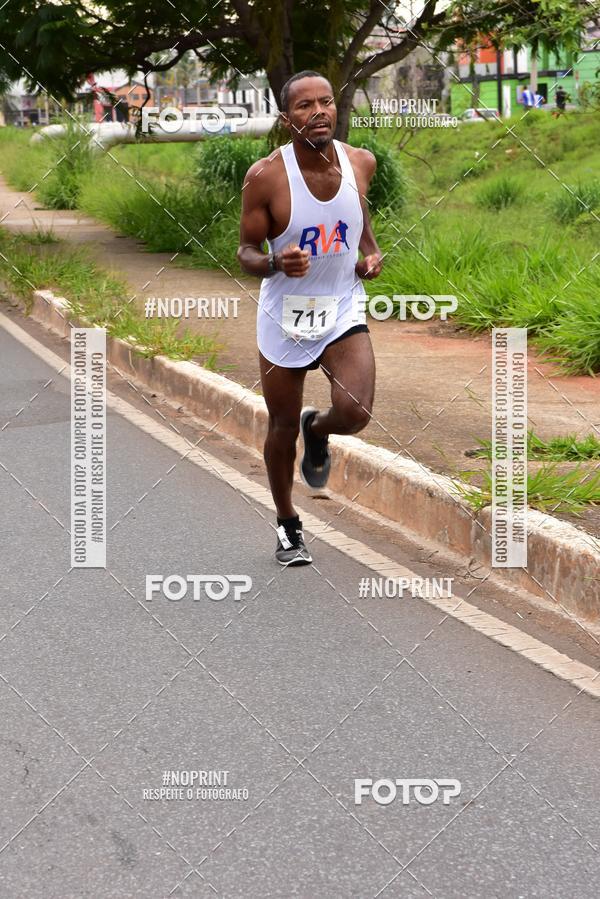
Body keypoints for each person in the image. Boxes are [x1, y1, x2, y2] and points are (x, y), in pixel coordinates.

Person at [237, 70, 383, 566]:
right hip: (286, 315)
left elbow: (358, 215)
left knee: (356, 413)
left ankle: (318, 429)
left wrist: (370, 253)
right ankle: (287, 524)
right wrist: (277, 261)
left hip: (341, 304)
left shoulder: (361, 162)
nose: (318, 111)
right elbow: (244, 251)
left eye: (326, 102)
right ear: (286, 119)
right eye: (304, 106)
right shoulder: (266, 177)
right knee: (280, 426)